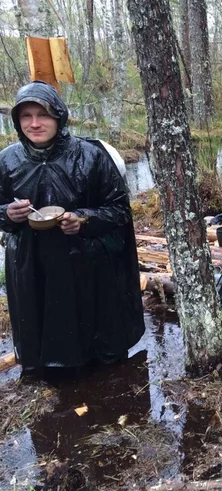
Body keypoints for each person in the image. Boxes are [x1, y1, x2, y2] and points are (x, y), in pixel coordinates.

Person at [0, 80, 145, 373]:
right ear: (17, 121)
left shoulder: (90, 155)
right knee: (39, 322)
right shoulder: (7, 160)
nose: (35, 123)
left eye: (43, 115)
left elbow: (119, 210)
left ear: (59, 116)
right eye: (26, 116)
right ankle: (44, 366)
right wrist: (6, 214)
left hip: (84, 261)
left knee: (88, 329)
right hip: (30, 264)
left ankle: (94, 368)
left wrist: (83, 219)